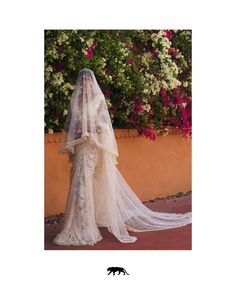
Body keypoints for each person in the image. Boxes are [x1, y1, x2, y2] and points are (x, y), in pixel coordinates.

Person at [52, 68, 192, 246]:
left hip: (92, 147)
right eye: (82, 80)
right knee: (78, 182)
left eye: (87, 80)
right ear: (79, 82)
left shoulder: (97, 100)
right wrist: (78, 132)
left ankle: (86, 226)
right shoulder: (74, 102)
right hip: (80, 146)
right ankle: (77, 223)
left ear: (91, 82)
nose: (85, 83)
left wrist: (95, 129)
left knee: (84, 182)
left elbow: (104, 124)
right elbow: (69, 126)